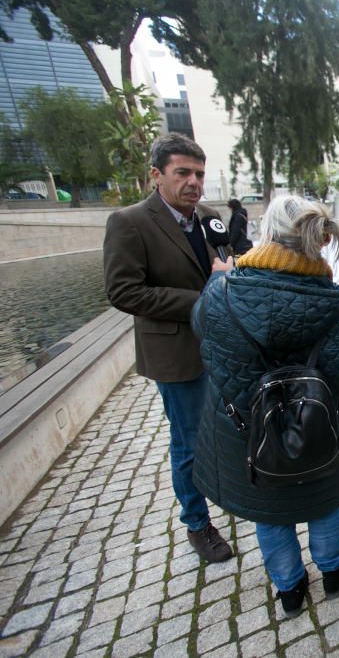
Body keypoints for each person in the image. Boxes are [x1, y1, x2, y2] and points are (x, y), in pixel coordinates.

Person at [191, 196, 339, 614]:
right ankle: (333, 571)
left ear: (268, 234)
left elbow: (200, 330)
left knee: (271, 513)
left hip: (251, 437)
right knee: (321, 502)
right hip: (318, 430)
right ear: (317, 240)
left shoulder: (222, 294)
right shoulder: (338, 303)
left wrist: (220, 278)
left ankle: (290, 588)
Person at [103, 133, 235, 564]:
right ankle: (197, 524)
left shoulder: (211, 217)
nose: (194, 182)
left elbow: (226, 268)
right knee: (190, 442)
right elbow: (124, 292)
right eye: (183, 173)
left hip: (222, 346)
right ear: (157, 175)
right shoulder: (130, 222)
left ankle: (230, 490)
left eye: (198, 173)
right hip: (177, 354)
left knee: (228, 427)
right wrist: (204, 297)